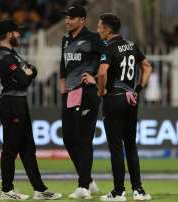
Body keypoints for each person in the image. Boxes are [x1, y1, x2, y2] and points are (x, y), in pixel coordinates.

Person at [0, 19, 62, 200]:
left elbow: (32, 72)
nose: (19, 35)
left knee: (27, 148)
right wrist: (27, 74)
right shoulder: (6, 57)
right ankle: (6, 191)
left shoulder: (13, 55)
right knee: (11, 148)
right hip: (11, 103)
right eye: (17, 32)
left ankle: (39, 189)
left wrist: (28, 74)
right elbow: (25, 79)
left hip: (19, 102)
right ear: (9, 34)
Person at [96, 13, 153, 201]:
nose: (98, 29)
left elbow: (102, 73)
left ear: (108, 29)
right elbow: (147, 67)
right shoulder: (131, 45)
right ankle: (139, 190)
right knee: (131, 146)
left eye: (100, 26)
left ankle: (119, 192)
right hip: (131, 99)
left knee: (116, 147)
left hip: (114, 99)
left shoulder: (108, 48)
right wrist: (138, 88)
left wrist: (101, 92)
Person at [59, 4, 101, 199]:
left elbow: (106, 62)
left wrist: (96, 78)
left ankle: (83, 186)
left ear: (82, 20)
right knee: (68, 139)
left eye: (72, 17)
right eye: (66, 17)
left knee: (84, 140)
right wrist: (62, 85)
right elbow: (63, 65)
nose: (67, 20)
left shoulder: (93, 38)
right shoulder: (65, 39)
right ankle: (89, 180)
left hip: (87, 93)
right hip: (70, 93)